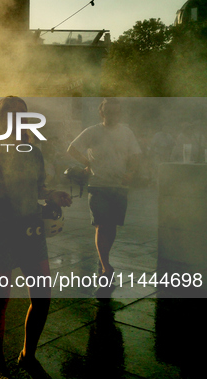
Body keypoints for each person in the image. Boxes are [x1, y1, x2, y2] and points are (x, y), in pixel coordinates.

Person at [0, 97, 72, 379]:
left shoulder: (33, 150)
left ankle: (27, 355)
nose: (17, 119)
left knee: (43, 296)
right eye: (10, 114)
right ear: (0, 119)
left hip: (31, 229)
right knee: (0, 300)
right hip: (1, 231)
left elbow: (38, 188)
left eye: (22, 114)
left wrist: (52, 195)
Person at [67, 98, 141, 291]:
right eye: (108, 112)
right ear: (102, 113)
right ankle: (106, 267)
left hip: (119, 185)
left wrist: (131, 172)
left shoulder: (126, 132)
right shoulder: (93, 131)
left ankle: (103, 261)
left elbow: (135, 155)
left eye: (116, 112)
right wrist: (87, 162)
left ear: (120, 113)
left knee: (112, 225)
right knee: (101, 224)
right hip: (98, 184)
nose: (113, 115)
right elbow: (72, 148)